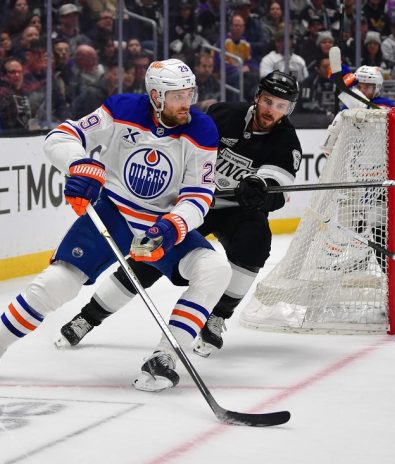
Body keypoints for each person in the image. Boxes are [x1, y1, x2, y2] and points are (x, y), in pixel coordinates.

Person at [0, 59, 231, 393]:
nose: (186, 103)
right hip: (112, 213)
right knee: (57, 282)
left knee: (215, 269)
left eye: (189, 94)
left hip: (159, 224)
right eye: (178, 96)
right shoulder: (121, 109)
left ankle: (164, 357)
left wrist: (173, 226)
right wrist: (79, 165)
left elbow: (199, 193)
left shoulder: (202, 129)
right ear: (156, 96)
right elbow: (61, 136)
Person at [55, 71, 302, 358]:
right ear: (257, 97)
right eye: (268, 101)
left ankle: (217, 316)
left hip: (239, 210)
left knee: (255, 242)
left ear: (289, 110)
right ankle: (88, 317)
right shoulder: (224, 114)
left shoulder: (286, 141)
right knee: (149, 255)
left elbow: (278, 187)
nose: (272, 110)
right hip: (194, 204)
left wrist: (261, 188)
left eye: (281, 106)